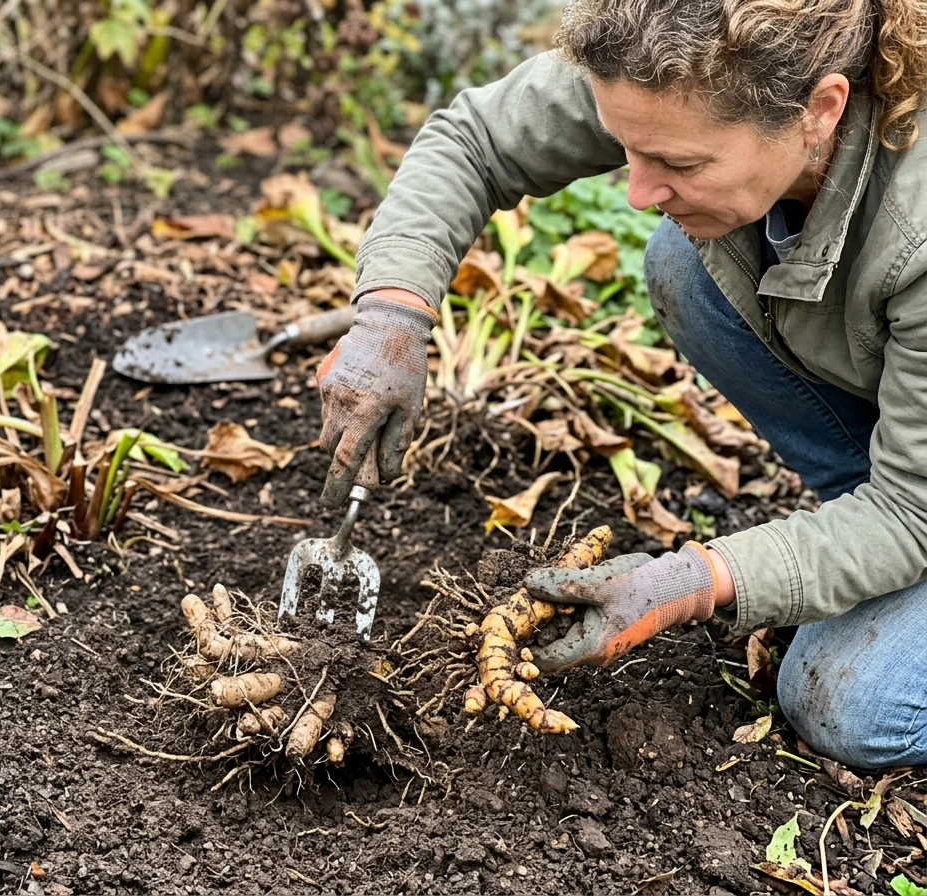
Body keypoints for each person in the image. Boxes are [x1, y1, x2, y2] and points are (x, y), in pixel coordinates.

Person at [314, 0, 927, 769]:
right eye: (630, 149)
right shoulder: (680, 75)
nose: (638, 192)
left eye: (680, 164)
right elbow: (476, 140)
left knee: (851, 703)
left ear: (821, 110)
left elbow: (912, 513)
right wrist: (392, 313)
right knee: (686, 260)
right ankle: (855, 532)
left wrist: (701, 578)